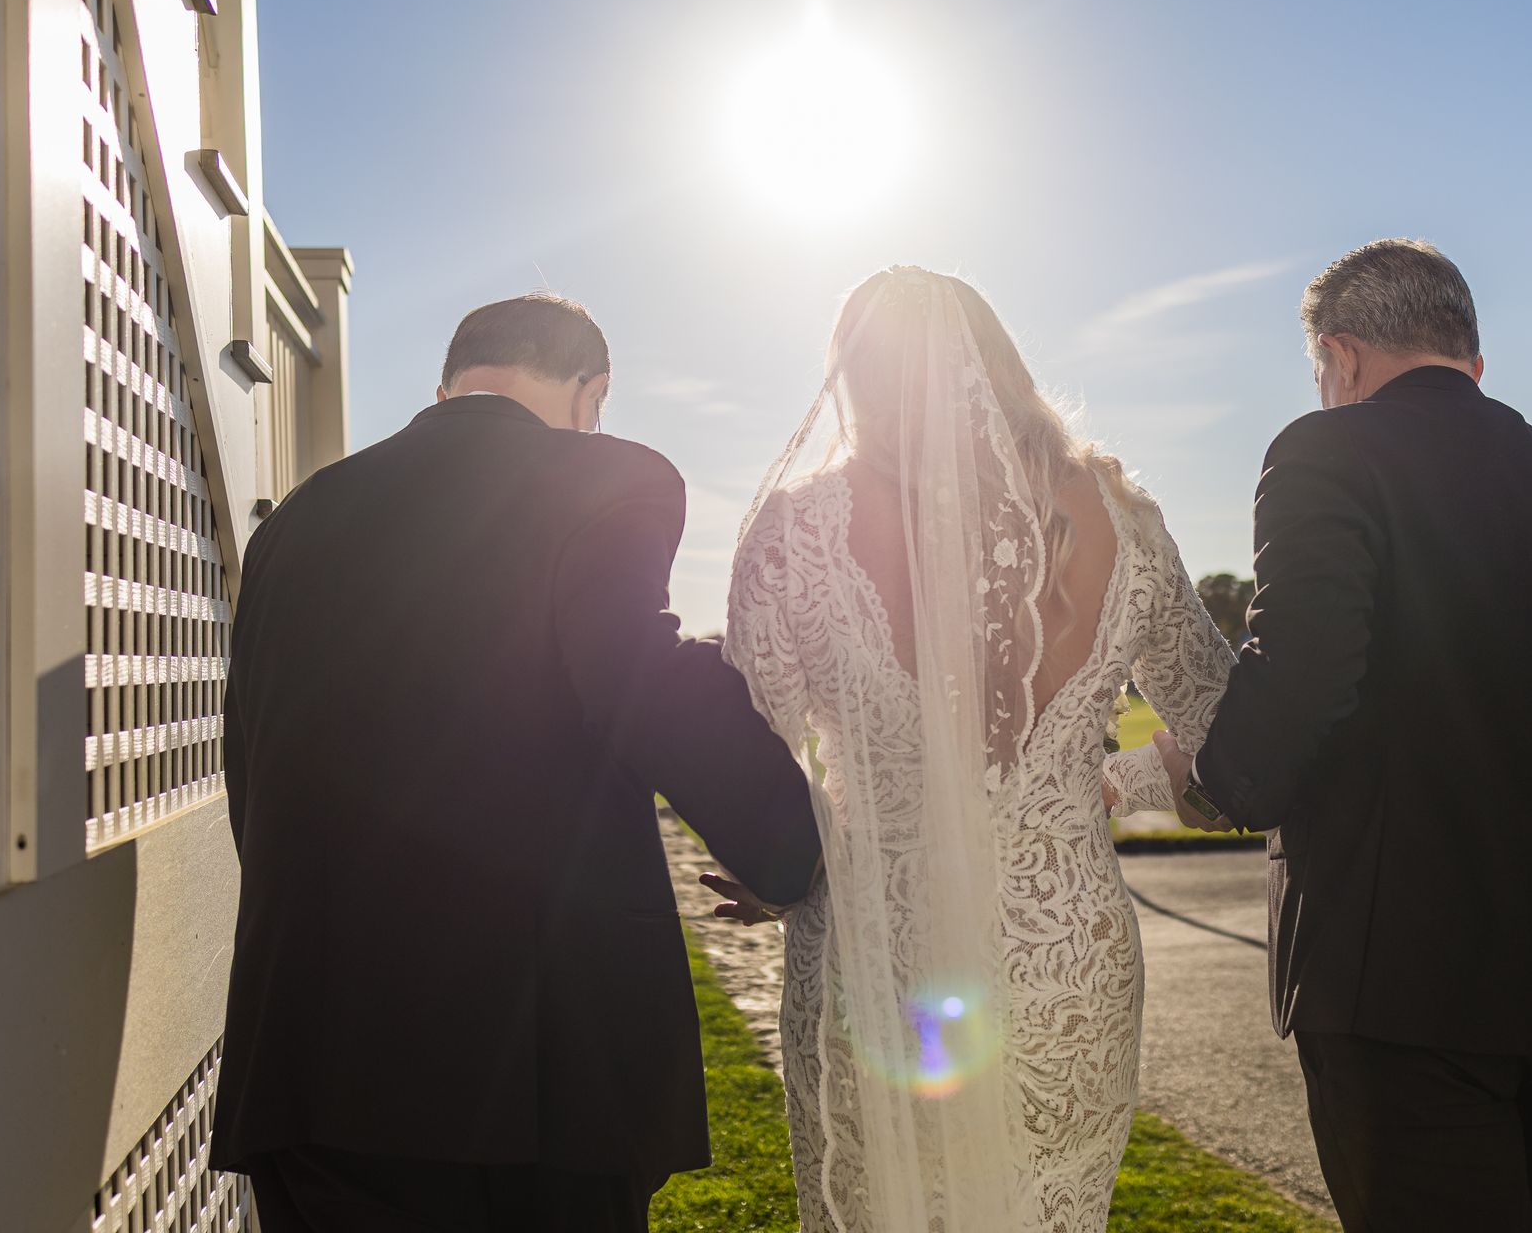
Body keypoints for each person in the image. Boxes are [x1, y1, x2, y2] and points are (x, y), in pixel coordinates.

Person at [1157, 239, 1532, 1231]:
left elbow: (1306, 658)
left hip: (1396, 982)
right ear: (1473, 360)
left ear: (1340, 357)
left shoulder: (1328, 451)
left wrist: (1218, 782)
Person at [210, 293, 820, 1231]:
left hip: (310, 1060)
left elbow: (250, 761)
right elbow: (636, 673)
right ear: (591, 394)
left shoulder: (296, 520)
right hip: (534, 1068)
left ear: (446, 388)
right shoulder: (604, 477)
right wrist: (787, 848)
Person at [704, 266, 1236, 1230]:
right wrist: (1106, 783)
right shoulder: (1120, 520)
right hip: (1064, 957)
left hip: (879, 961)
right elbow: (1221, 735)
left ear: (851, 374)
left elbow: (749, 771)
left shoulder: (795, 533)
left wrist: (774, 873)